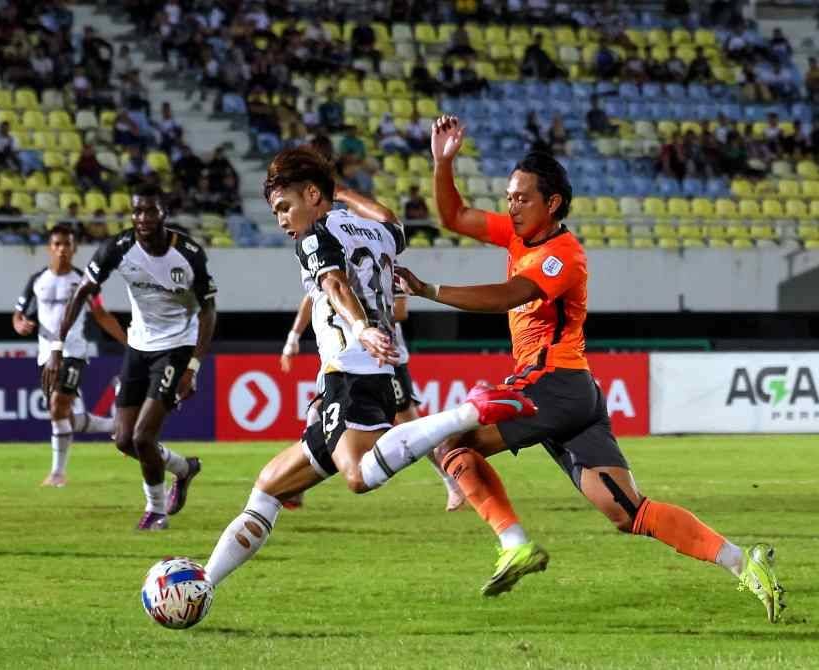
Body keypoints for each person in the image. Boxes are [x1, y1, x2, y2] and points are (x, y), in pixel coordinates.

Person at [355, 115, 786, 623]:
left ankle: (514, 543)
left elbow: (511, 296)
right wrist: (443, 162)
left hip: (551, 383)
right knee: (628, 512)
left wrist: (430, 290)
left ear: (552, 203)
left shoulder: (564, 256)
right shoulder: (520, 236)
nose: (511, 207)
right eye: (510, 197)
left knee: (450, 443)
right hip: (572, 392)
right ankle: (743, 562)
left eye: (522, 198)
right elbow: (454, 216)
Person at [201, 147, 531, 589]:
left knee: (356, 477)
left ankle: (469, 412)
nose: (281, 219)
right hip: (369, 369)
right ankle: (205, 582)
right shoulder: (375, 232)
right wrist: (346, 194)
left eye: (285, 207)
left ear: (313, 194)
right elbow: (391, 219)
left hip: (350, 370)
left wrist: (359, 327)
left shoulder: (314, 236)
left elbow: (334, 283)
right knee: (269, 486)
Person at [278, 186, 466, 511]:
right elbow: (317, 295)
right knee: (318, 412)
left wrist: (363, 321)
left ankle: (455, 475)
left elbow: (399, 311)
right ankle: (296, 484)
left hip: (379, 353)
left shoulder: (338, 244)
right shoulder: (364, 240)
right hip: (354, 354)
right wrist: (294, 335)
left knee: (406, 426)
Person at [46, 184, 217, 530]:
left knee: (142, 437)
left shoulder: (188, 253)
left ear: (163, 214)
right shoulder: (117, 248)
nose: (143, 218)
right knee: (124, 439)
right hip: (139, 347)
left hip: (176, 347)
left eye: (150, 211)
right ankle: (184, 469)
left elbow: (209, 310)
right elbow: (82, 294)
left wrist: (193, 366)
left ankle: (156, 512)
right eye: (137, 211)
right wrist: (56, 347)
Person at [13, 225, 128, 487]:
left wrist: (127, 341)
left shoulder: (82, 280)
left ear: (74, 249)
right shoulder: (37, 280)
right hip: (46, 355)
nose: (62, 249)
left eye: (67, 244)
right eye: (57, 244)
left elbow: (100, 313)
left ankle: (57, 474)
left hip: (73, 352)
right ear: (49, 248)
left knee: (57, 408)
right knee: (61, 415)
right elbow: (18, 314)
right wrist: (19, 324)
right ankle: (114, 426)